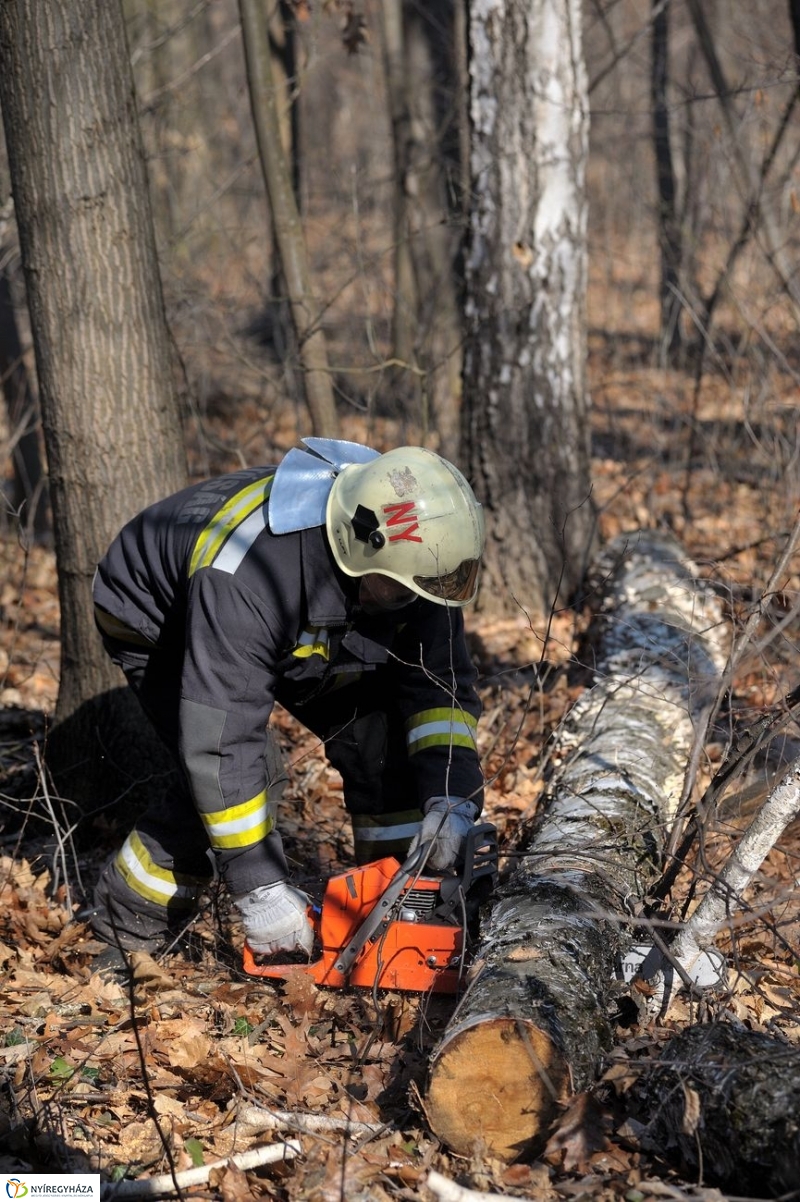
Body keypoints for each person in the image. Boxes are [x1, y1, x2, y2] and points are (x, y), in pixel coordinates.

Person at [89, 438, 486, 963]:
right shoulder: (244, 576)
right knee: (242, 780)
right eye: (398, 591)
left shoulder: (410, 563)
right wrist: (260, 890)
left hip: (300, 613)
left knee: (379, 741)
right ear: (359, 546)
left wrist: (450, 795)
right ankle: (125, 930)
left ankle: (394, 911)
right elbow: (221, 742)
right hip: (157, 615)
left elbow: (439, 689)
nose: (411, 604)